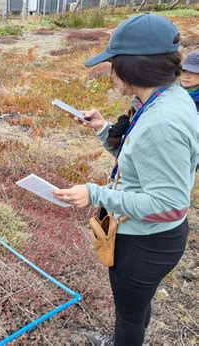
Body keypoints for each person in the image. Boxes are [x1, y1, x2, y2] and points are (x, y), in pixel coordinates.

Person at [52, 14, 198, 345]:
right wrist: (104, 130)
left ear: (135, 67)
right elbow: (138, 159)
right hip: (151, 238)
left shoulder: (162, 121)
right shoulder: (165, 99)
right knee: (136, 305)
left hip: (145, 242)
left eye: (115, 65)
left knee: (129, 316)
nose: (112, 74)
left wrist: (95, 193)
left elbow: (170, 204)